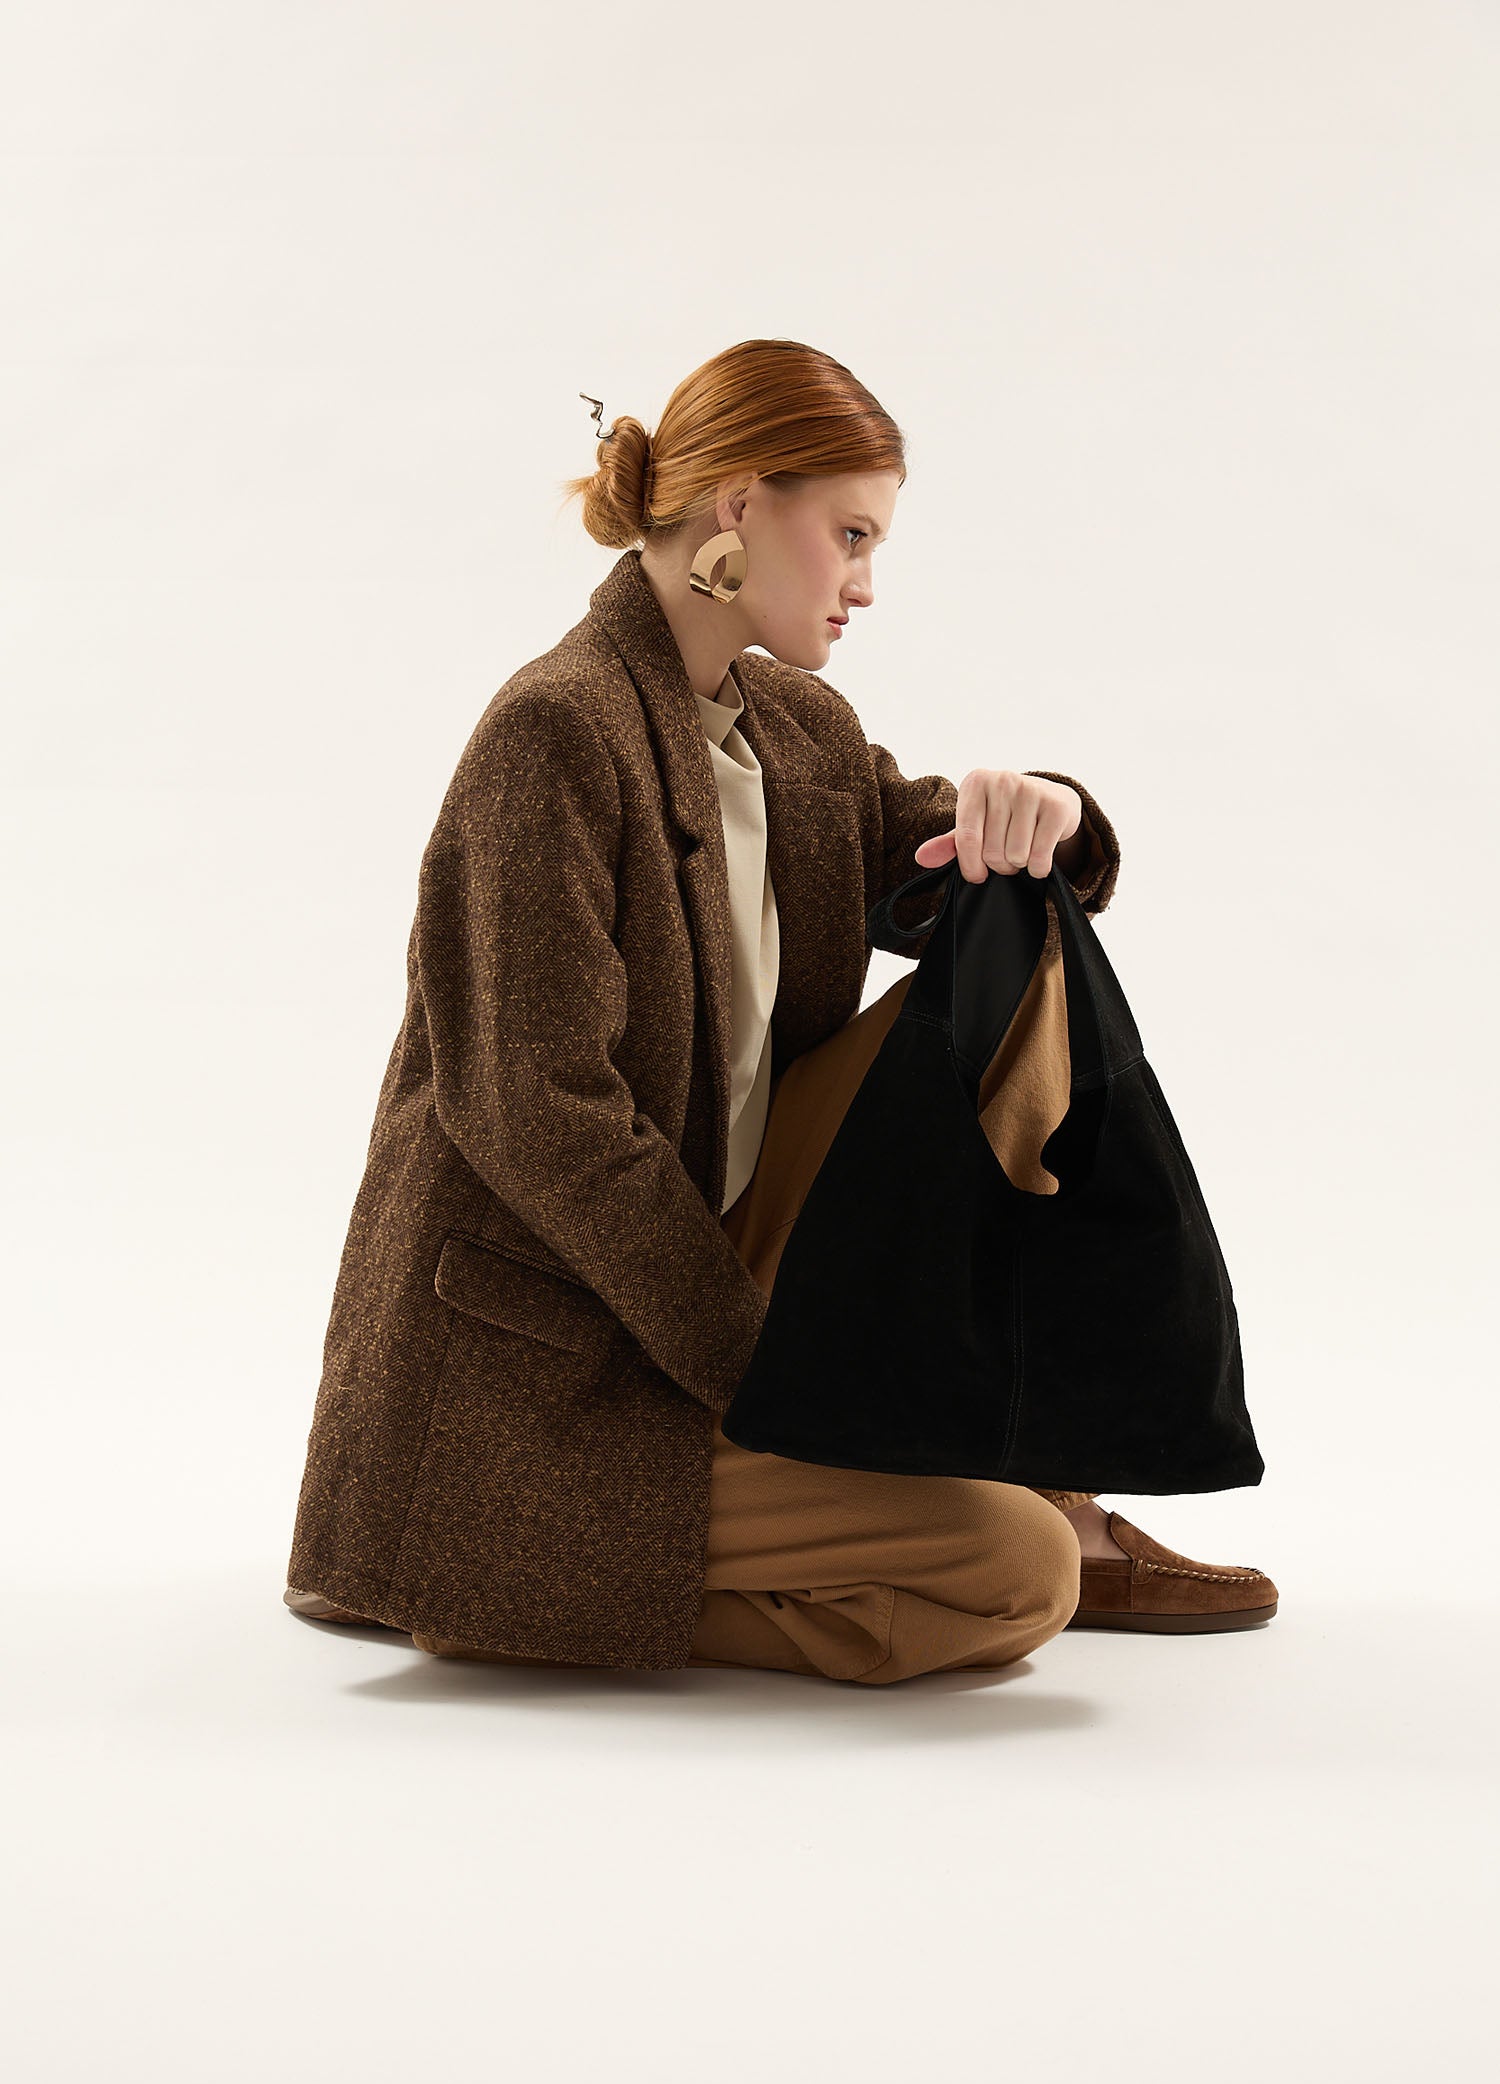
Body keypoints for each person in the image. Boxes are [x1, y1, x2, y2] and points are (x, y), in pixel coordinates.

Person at [284, 337, 1277, 1682]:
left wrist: (1045, 814)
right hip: (573, 1351)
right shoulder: (555, 732)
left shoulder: (798, 732)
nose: (866, 583)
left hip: (733, 1254)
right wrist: (778, 1372)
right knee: (1017, 1579)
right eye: (851, 535)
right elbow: (536, 1115)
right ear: (742, 504)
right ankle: (484, 1569)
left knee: (1019, 936)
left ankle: (1041, 1463)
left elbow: (959, 876)